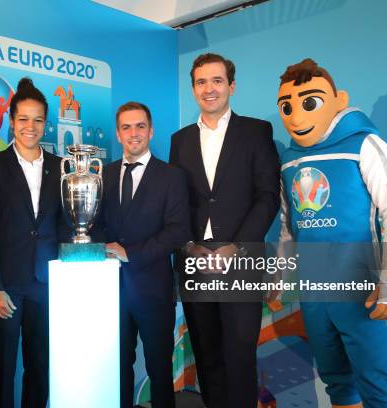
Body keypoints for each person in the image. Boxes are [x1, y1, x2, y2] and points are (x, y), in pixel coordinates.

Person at [275, 58, 387, 408]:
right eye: (286, 107)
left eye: (309, 103)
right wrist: (280, 277)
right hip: (315, 291)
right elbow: (290, 228)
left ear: (339, 100)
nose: (296, 116)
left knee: (379, 387)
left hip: (360, 288)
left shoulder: (363, 145)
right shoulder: (290, 161)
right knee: (337, 383)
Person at [169, 53, 280, 407]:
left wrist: (238, 246)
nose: (209, 89)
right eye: (201, 82)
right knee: (207, 355)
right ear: (193, 89)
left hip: (242, 259)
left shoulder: (256, 131)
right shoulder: (180, 140)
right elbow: (176, 201)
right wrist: (188, 244)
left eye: (217, 81)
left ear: (231, 86)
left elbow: (268, 196)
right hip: (194, 260)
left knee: (239, 354)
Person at [0, 77, 66, 408]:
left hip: (46, 284)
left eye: (38, 119)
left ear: (46, 123)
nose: (31, 126)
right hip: (7, 285)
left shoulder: (62, 168)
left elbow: (64, 225)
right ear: (12, 122)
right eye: (24, 119)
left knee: (40, 367)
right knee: (2, 367)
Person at [101, 102, 190, 408]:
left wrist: (131, 253)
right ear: (118, 133)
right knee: (118, 369)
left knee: (159, 371)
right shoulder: (104, 174)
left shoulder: (171, 176)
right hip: (112, 290)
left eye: (140, 126)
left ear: (151, 131)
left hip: (154, 289)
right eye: (126, 127)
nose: (133, 133)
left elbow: (178, 231)